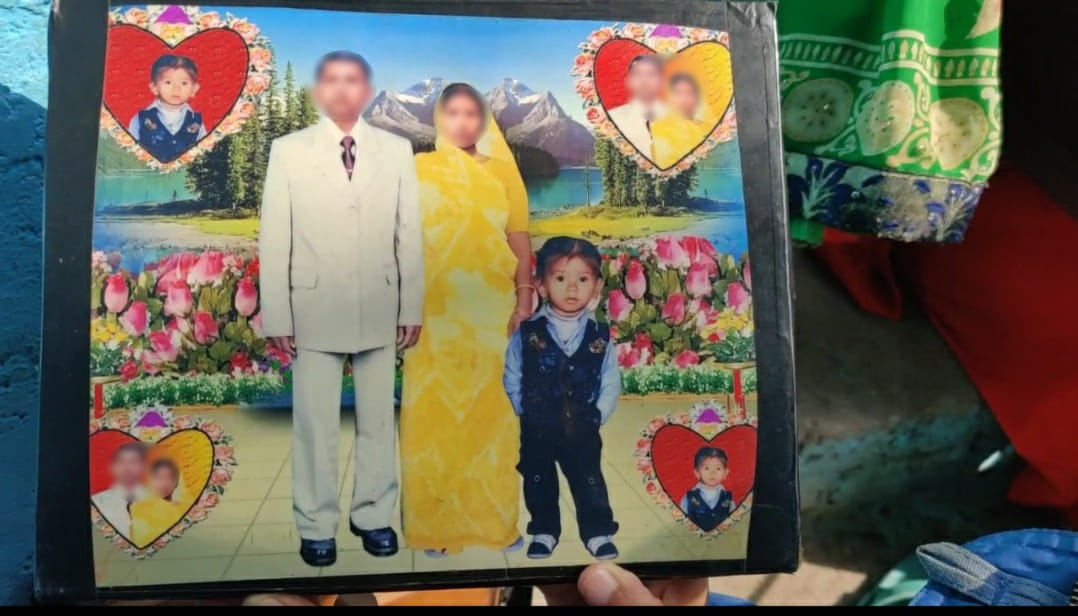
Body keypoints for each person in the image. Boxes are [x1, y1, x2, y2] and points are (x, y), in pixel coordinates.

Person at [259, 50, 424, 567]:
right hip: (312, 306)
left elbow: (408, 233)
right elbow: (275, 236)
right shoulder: (288, 151)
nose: (342, 88)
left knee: (379, 419)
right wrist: (278, 314)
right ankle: (316, 524)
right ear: (318, 90)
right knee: (315, 425)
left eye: (352, 80)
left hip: (380, 303)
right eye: (331, 79)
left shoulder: (397, 149)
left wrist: (411, 305)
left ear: (367, 91)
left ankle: (373, 516)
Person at [399, 82, 534, 557]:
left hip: (490, 310)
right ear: (439, 118)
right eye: (453, 113)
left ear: (484, 120)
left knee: (493, 417)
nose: (462, 122)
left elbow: (519, 240)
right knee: (432, 416)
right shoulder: (419, 169)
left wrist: (524, 298)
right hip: (434, 311)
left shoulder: (503, 171)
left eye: (472, 113)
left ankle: (496, 525)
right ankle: (434, 529)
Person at [503, 237, 621, 560]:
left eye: (582, 279)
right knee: (538, 478)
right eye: (560, 278)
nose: (572, 288)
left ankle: (597, 532)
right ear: (541, 285)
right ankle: (544, 531)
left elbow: (610, 380)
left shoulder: (599, 337)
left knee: (589, 478)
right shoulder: (528, 333)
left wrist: (598, 414)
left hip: (582, 426)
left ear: (596, 286)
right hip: (538, 426)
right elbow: (512, 372)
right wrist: (523, 408)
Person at [127, 54, 207, 163]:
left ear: (194, 88)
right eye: (168, 82)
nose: (176, 89)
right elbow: (130, 153)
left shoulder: (197, 122)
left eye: (184, 83)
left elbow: (204, 154)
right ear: (154, 87)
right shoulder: (140, 119)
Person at [607, 54, 668, 157]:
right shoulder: (612, 118)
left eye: (651, 74)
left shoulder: (680, 117)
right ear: (628, 80)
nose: (644, 81)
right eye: (637, 74)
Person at [650, 72, 711, 169]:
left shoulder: (711, 130)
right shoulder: (658, 130)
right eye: (678, 93)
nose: (684, 99)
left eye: (690, 93)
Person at [91, 442, 148, 541]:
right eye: (121, 462)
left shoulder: (159, 500)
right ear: (112, 467)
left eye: (134, 462)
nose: (127, 468)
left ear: (144, 466)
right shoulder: (97, 501)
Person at [129, 458, 187, 547]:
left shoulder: (185, 509)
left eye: (169, 477)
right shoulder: (138, 509)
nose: (164, 483)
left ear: (176, 481)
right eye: (158, 477)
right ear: (149, 480)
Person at [679, 447, 736, 532]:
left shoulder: (728, 498)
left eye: (718, 469)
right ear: (697, 472)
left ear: (725, 473)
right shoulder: (688, 497)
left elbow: (734, 523)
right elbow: (681, 523)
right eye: (706, 468)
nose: (712, 473)